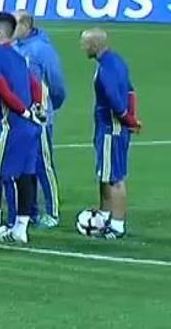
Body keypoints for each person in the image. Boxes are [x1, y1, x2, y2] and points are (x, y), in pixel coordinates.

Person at [0, 12, 44, 244]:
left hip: (10, 126)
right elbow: (35, 85)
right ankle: (20, 229)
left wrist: (23, 111)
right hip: (30, 127)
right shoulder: (17, 56)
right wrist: (36, 109)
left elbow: (4, 91)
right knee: (25, 176)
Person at [80, 28, 141, 239]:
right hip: (113, 128)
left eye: (85, 43)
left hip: (111, 129)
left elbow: (115, 100)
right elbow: (131, 91)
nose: (83, 47)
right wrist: (132, 117)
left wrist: (128, 119)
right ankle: (105, 216)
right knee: (106, 174)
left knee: (115, 178)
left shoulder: (106, 69)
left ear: (95, 45)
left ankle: (117, 225)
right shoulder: (117, 61)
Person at [13, 11, 67, 228]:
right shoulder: (16, 47)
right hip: (21, 115)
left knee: (44, 165)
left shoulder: (42, 50)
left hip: (40, 116)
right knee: (25, 166)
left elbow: (57, 84)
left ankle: (52, 212)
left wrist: (50, 108)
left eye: (15, 23)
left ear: (26, 24)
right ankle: (31, 210)